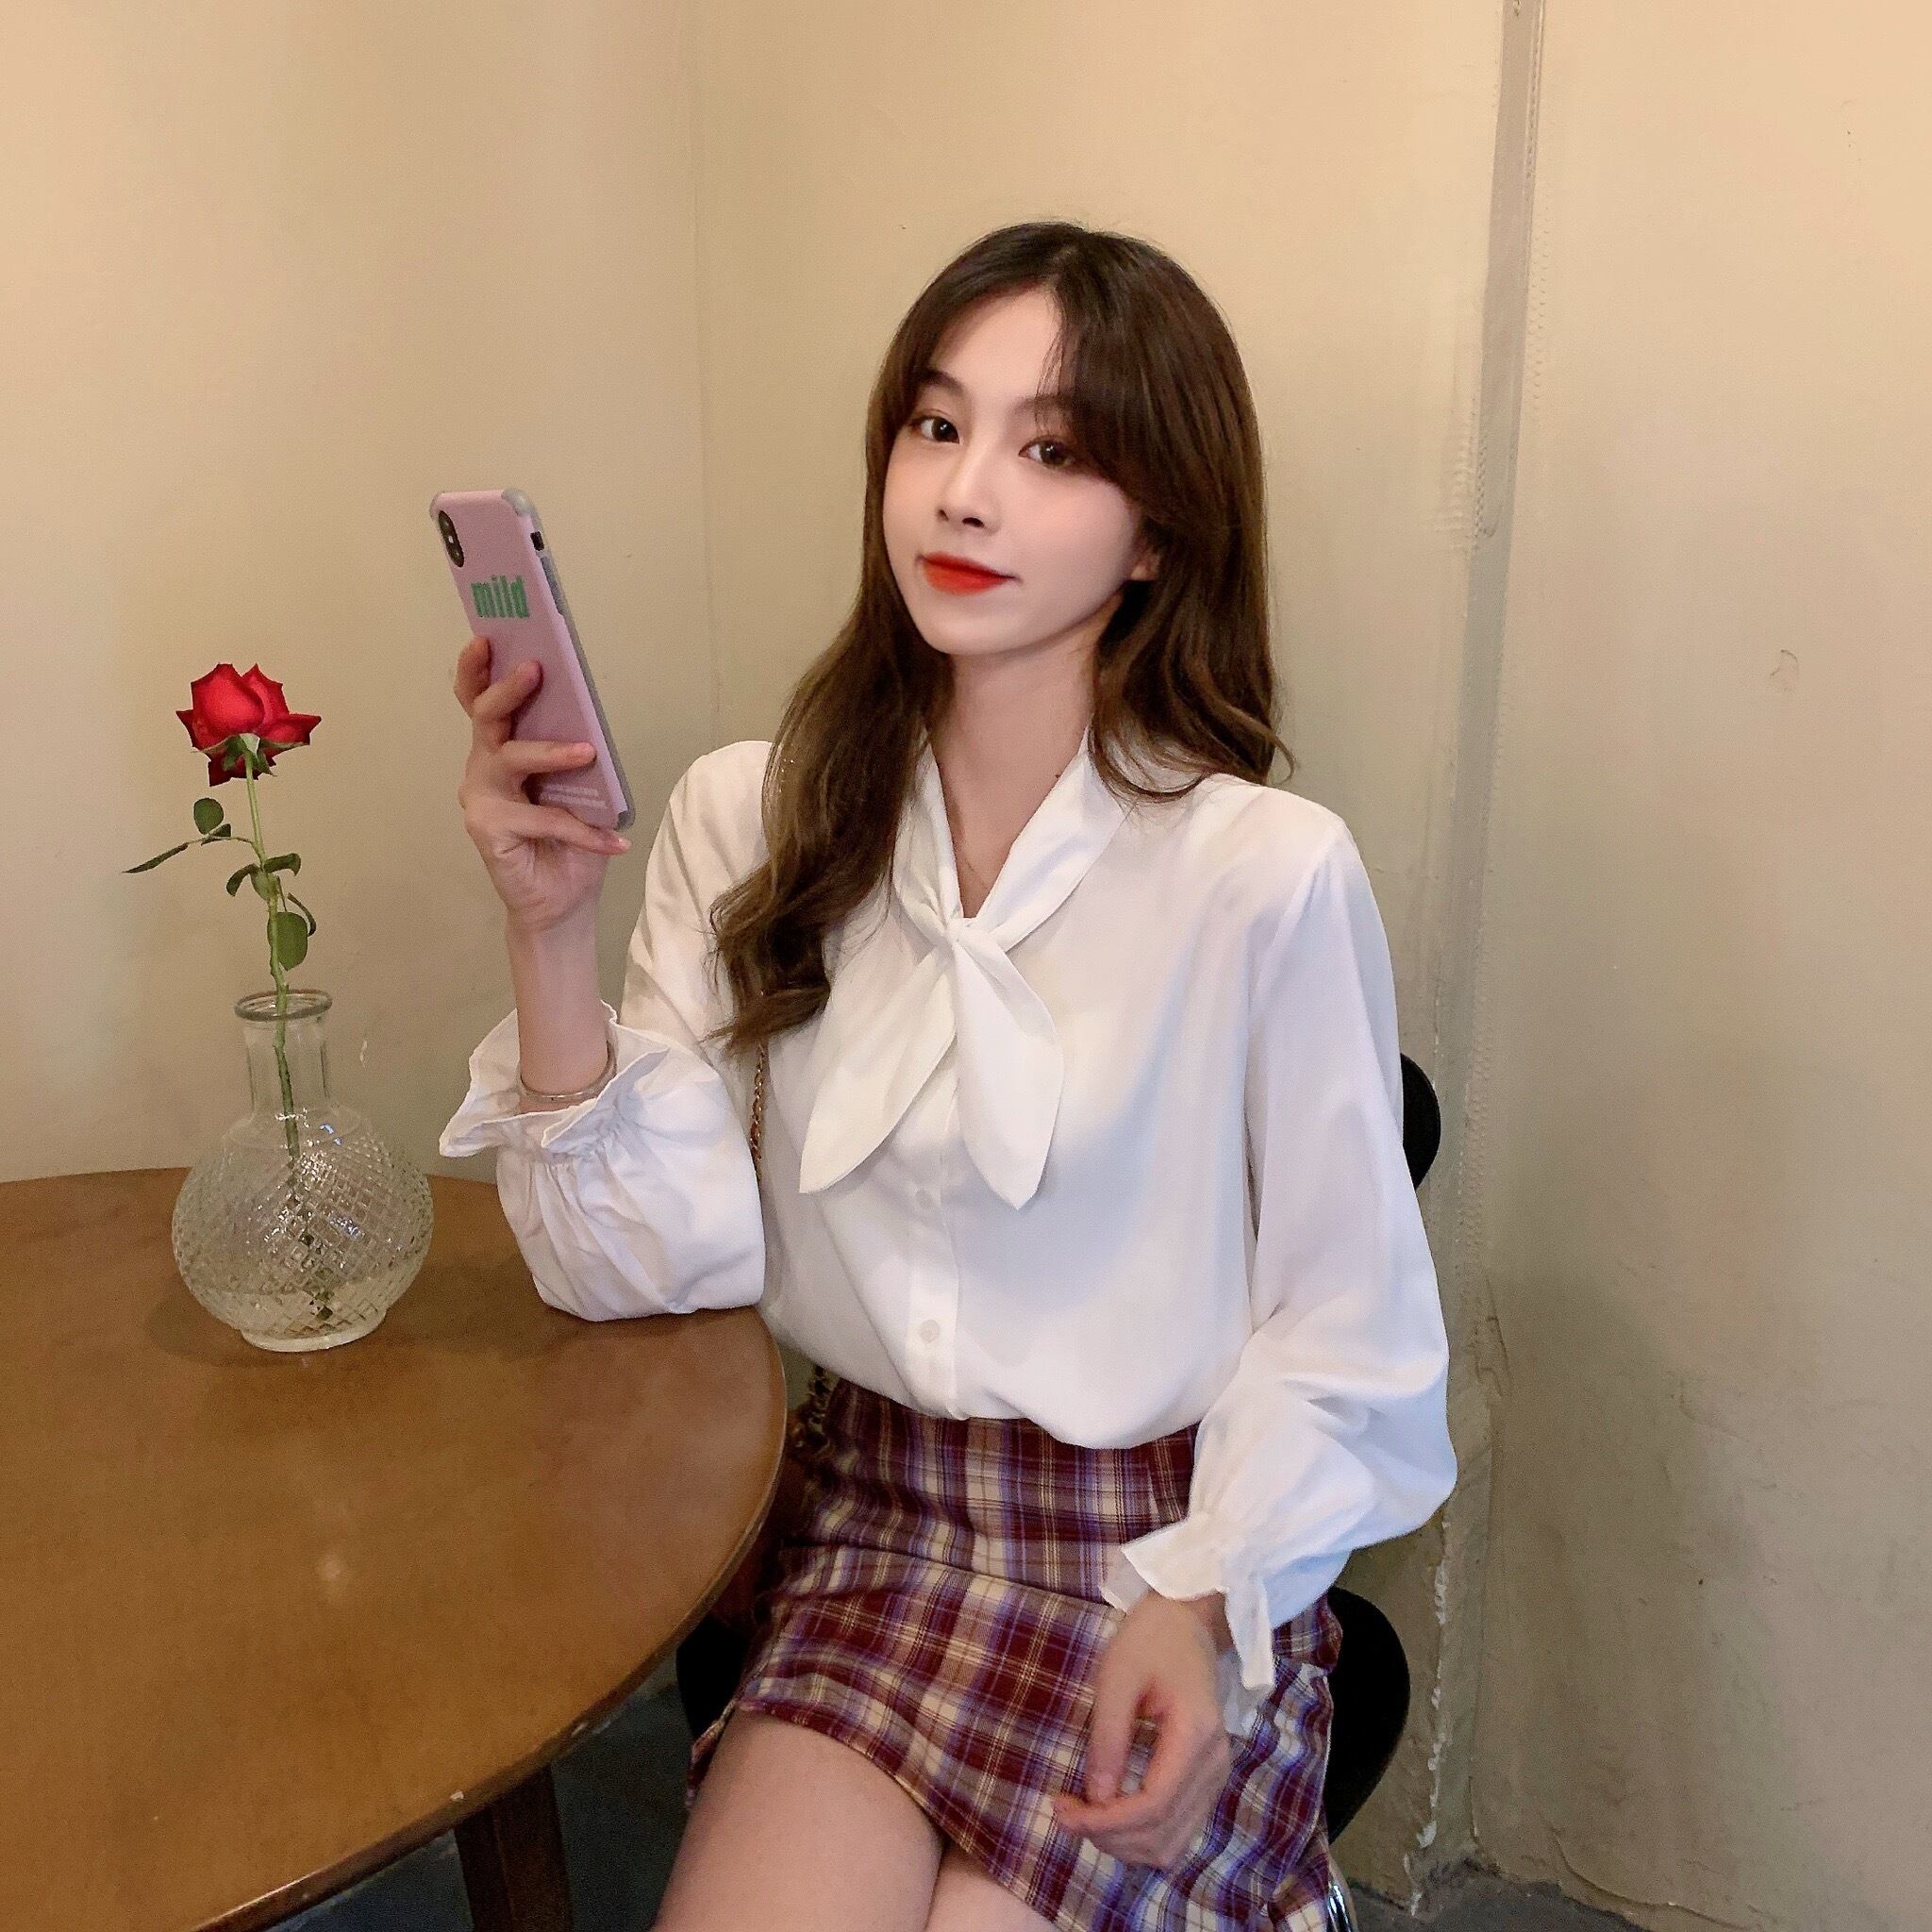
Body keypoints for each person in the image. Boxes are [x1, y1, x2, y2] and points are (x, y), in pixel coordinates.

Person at [438, 219, 1456, 1932]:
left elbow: (1347, 1334)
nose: (965, 495)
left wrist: (1211, 1596)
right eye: (935, 425)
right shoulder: (752, 817)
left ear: (1157, 533)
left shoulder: (1263, 876)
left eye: (1051, 452)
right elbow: (648, 1267)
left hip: (1159, 1554)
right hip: (870, 1536)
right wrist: (548, 933)